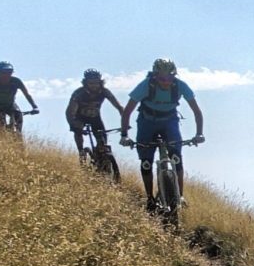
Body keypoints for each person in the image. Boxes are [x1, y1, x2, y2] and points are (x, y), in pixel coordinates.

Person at [122, 59, 204, 217]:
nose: (166, 82)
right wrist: (125, 135)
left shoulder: (180, 85)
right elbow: (127, 111)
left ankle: (180, 196)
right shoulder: (146, 85)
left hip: (169, 120)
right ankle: (150, 198)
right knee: (146, 161)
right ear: (155, 76)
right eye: (161, 78)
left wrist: (199, 133)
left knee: (176, 156)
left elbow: (197, 111)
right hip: (147, 121)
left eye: (169, 78)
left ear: (174, 76)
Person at [65, 68, 128, 179]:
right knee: (78, 132)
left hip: (95, 118)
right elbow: (70, 112)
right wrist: (75, 124)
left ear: (100, 82)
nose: (94, 85)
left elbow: (118, 106)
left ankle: (104, 161)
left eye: (96, 83)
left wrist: (125, 121)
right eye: (91, 83)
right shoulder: (79, 93)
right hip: (79, 117)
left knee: (102, 140)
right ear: (85, 83)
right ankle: (81, 152)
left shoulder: (104, 91)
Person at [0, 62, 36, 134]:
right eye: (4, 72)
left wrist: (34, 107)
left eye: (10, 72)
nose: (7, 75)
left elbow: (27, 94)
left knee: (18, 115)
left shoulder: (16, 81)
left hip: (10, 104)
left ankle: (18, 136)